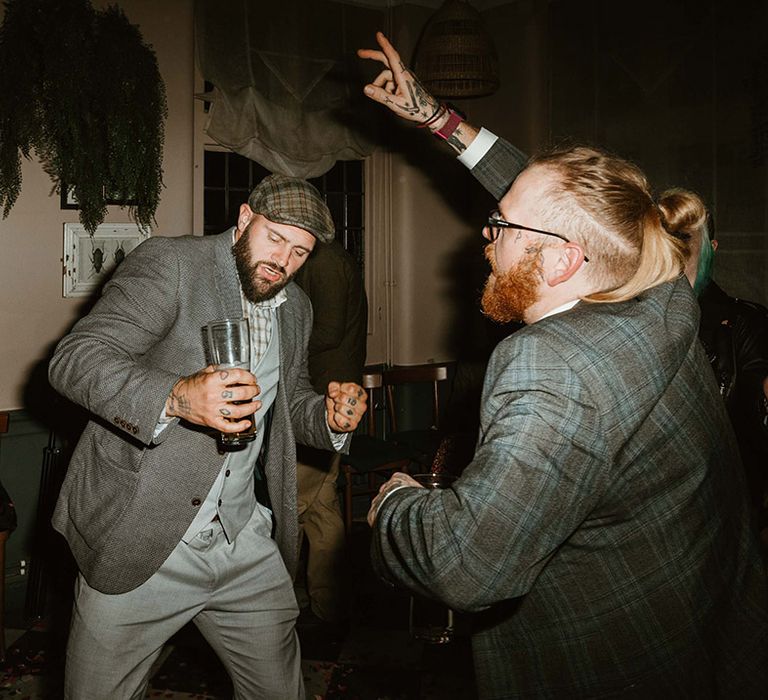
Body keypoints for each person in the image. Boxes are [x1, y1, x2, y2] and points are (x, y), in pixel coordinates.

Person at [358, 33, 768, 698]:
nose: (483, 239)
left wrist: (397, 509)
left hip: (606, 665)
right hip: (705, 630)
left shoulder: (548, 364)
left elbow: (469, 568)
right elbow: (566, 206)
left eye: (499, 227)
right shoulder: (661, 294)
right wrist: (439, 119)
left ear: (559, 261)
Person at [47, 174, 368, 699]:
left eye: (300, 253)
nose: (282, 262)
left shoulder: (297, 309)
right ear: (244, 219)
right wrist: (177, 397)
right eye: (274, 238)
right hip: (144, 536)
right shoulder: (172, 264)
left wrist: (329, 417)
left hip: (242, 540)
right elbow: (76, 360)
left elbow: (288, 403)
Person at [293, 239, 368, 625]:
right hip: (325, 397)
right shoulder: (327, 257)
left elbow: (328, 331)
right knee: (321, 506)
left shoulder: (326, 261)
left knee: (293, 506)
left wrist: (278, 339)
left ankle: (275, 604)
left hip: (326, 399)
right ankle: (329, 605)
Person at [684, 215, 768, 540]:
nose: (674, 250)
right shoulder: (626, 324)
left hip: (720, 521)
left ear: (710, 250)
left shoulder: (745, 324)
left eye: (685, 238)